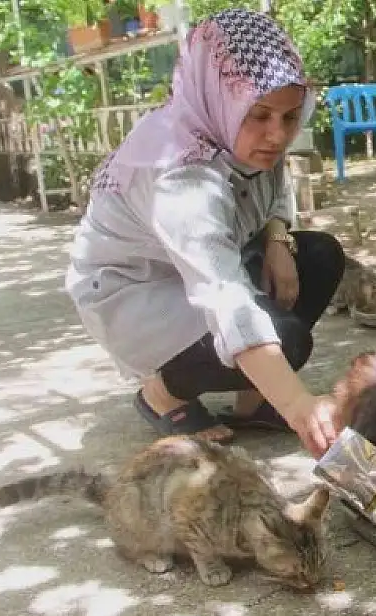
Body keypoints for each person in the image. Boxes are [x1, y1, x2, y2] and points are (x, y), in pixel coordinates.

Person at [65, 8, 345, 458]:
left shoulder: (241, 138)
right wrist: (299, 406)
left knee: (318, 256)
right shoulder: (181, 173)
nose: (277, 135)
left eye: (290, 117)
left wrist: (276, 239)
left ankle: (253, 400)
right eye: (259, 115)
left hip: (204, 267)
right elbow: (223, 295)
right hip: (134, 292)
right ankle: (162, 393)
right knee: (285, 340)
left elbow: (273, 196)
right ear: (221, 99)